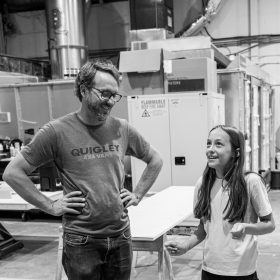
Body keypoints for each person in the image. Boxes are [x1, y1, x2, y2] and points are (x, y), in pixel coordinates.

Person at [3, 59, 163, 280]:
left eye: (114, 95)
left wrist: (137, 194)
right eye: (104, 94)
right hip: (81, 241)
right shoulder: (56, 132)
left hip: (121, 236)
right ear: (84, 89)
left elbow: (155, 159)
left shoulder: (122, 128)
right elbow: (12, 173)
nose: (110, 101)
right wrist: (49, 205)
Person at [165, 125, 275, 280]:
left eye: (218, 144)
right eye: (208, 143)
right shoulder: (203, 184)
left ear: (235, 153)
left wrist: (246, 227)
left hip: (241, 272)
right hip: (209, 270)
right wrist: (185, 246)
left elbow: (269, 224)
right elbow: (203, 228)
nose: (210, 149)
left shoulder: (251, 182)